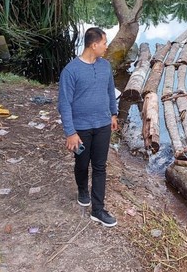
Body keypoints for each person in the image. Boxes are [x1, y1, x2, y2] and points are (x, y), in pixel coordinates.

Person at [58, 27, 119, 227]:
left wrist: (113, 113)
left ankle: (98, 210)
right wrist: (70, 133)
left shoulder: (105, 66)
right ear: (94, 45)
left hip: (102, 125)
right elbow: (64, 103)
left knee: (100, 167)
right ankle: (82, 189)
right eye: (104, 43)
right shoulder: (71, 71)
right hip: (81, 128)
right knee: (82, 164)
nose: (106, 46)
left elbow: (111, 91)